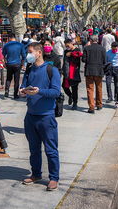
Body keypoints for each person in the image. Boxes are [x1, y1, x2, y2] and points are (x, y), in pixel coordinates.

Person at [20, 42, 61, 191]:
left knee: (51, 150)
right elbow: (23, 86)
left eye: (30, 52)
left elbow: (56, 92)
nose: (28, 55)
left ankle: (54, 178)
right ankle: (36, 174)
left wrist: (39, 91)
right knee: (34, 149)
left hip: (46, 117)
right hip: (30, 116)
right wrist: (22, 91)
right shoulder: (29, 70)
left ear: (39, 53)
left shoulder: (52, 70)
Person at [81, 35, 106, 113]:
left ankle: (91, 107)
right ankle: (99, 104)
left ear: (90, 40)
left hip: (89, 71)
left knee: (90, 89)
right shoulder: (102, 48)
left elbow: (83, 60)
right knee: (99, 88)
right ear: (97, 40)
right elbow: (104, 60)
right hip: (99, 70)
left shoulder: (86, 48)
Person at [62, 39, 82, 110]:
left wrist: (71, 54)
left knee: (74, 89)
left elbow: (77, 61)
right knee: (64, 86)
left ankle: (75, 103)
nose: (67, 47)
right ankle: (70, 96)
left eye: (68, 45)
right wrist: (63, 70)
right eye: (66, 46)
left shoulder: (77, 50)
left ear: (71, 43)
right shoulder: (66, 51)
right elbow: (65, 62)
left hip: (74, 72)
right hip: (67, 72)